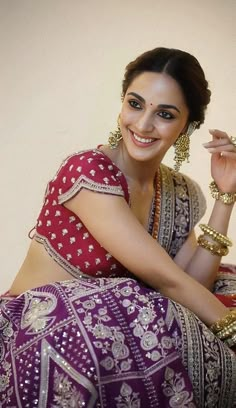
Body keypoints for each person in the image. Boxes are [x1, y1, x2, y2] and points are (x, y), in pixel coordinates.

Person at [1, 47, 236, 407]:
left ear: (187, 126)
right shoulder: (87, 172)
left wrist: (225, 195)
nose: (143, 125)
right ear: (122, 104)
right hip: (36, 334)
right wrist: (231, 327)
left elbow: (191, 284)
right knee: (124, 299)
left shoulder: (179, 192)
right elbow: (166, 280)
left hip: (108, 345)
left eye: (165, 114)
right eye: (135, 104)